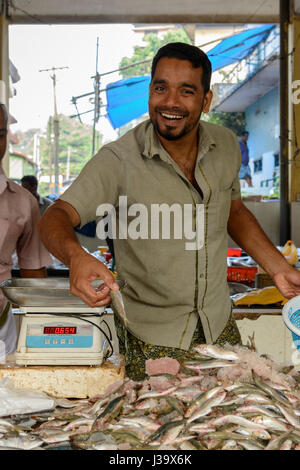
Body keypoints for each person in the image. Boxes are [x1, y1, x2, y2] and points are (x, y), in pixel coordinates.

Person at [38, 43, 300, 380]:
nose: (170, 102)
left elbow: (233, 210)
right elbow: (54, 217)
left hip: (218, 327)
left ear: (206, 100)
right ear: (150, 91)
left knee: (234, 429)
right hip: (149, 338)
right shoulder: (118, 160)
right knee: (159, 429)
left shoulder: (225, 146)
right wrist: (76, 257)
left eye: (186, 91)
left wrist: (277, 267)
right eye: (160, 88)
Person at [0, 103, 52, 359]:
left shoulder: (22, 201)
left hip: (1, 330)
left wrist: (41, 340)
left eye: (0, 134)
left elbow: (33, 277)